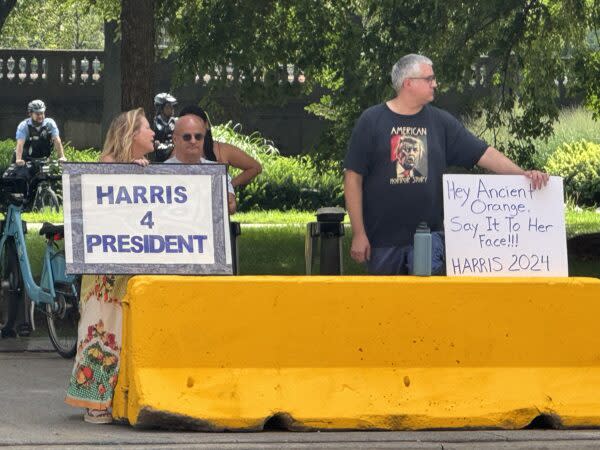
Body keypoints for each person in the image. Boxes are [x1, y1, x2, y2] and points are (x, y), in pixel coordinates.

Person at [344, 54, 549, 275]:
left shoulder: (441, 122)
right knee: (386, 306)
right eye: (429, 78)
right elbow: (353, 178)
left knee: (428, 304)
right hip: (382, 242)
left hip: (428, 239)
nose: (435, 83)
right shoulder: (372, 120)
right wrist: (358, 233)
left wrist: (522, 174)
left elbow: (484, 153)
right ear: (408, 83)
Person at [64, 108, 154, 424]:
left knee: (123, 330)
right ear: (131, 134)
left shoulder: (142, 169)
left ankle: (117, 398)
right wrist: (127, 172)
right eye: (147, 128)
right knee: (102, 329)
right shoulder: (105, 166)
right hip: (105, 273)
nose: (154, 133)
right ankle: (96, 401)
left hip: (128, 269)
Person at [178, 105, 262, 190]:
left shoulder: (223, 150)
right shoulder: (175, 152)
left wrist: (228, 187)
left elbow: (255, 167)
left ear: (206, 125)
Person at [14, 99, 67, 165]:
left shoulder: (50, 123)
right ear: (30, 114)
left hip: (44, 158)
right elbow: (20, 144)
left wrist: (62, 157)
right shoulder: (23, 126)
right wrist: (18, 159)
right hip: (26, 159)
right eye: (37, 114)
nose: (40, 116)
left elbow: (57, 140)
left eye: (42, 113)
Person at [150, 92, 178, 162]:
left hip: (174, 159)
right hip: (158, 160)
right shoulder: (154, 122)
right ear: (161, 108)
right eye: (168, 106)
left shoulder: (176, 122)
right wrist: (154, 143)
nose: (172, 109)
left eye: (172, 106)